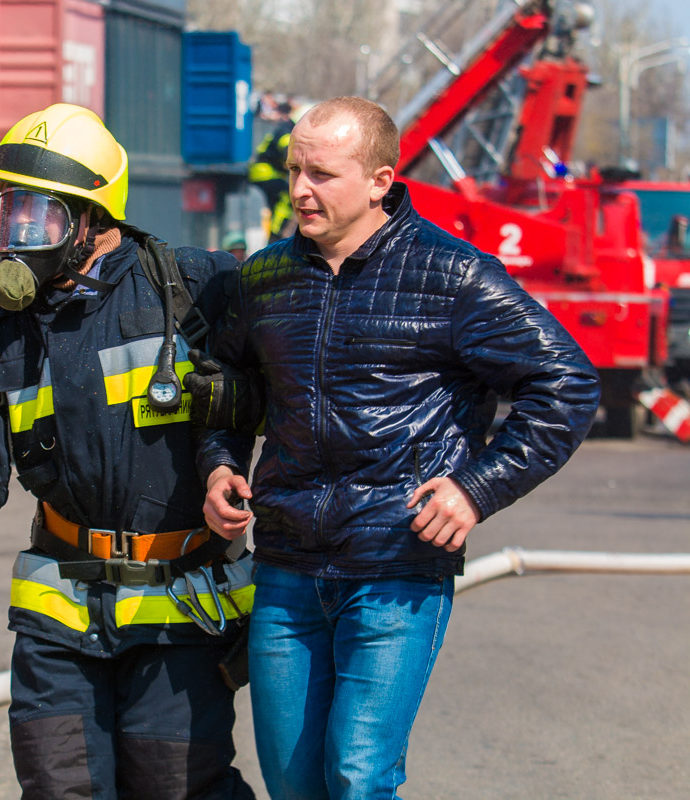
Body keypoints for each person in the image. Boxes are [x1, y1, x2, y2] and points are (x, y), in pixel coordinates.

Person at [189, 96, 601, 799]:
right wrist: (220, 462)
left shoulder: (454, 276)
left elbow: (566, 384)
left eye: (321, 173)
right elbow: (226, 386)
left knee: (358, 775)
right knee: (292, 784)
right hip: (286, 569)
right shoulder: (263, 278)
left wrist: (477, 488)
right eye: (294, 169)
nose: (299, 190)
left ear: (381, 180)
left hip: (396, 567)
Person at [0, 103, 257, 799]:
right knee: (60, 791)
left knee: (178, 789)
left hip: (179, 616)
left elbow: (296, 373)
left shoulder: (194, 289)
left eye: (35, 218)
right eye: (6, 215)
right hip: (59, 617)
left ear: (91, 221)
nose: (12, 239)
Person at [248, 101, 298, 242]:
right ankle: (276, 234)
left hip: (264, 171)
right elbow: (287, 149)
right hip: (265, 172)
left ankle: (275, 233)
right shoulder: (287, 129)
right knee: (285, 197)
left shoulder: (286, 128)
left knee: (276, 202)